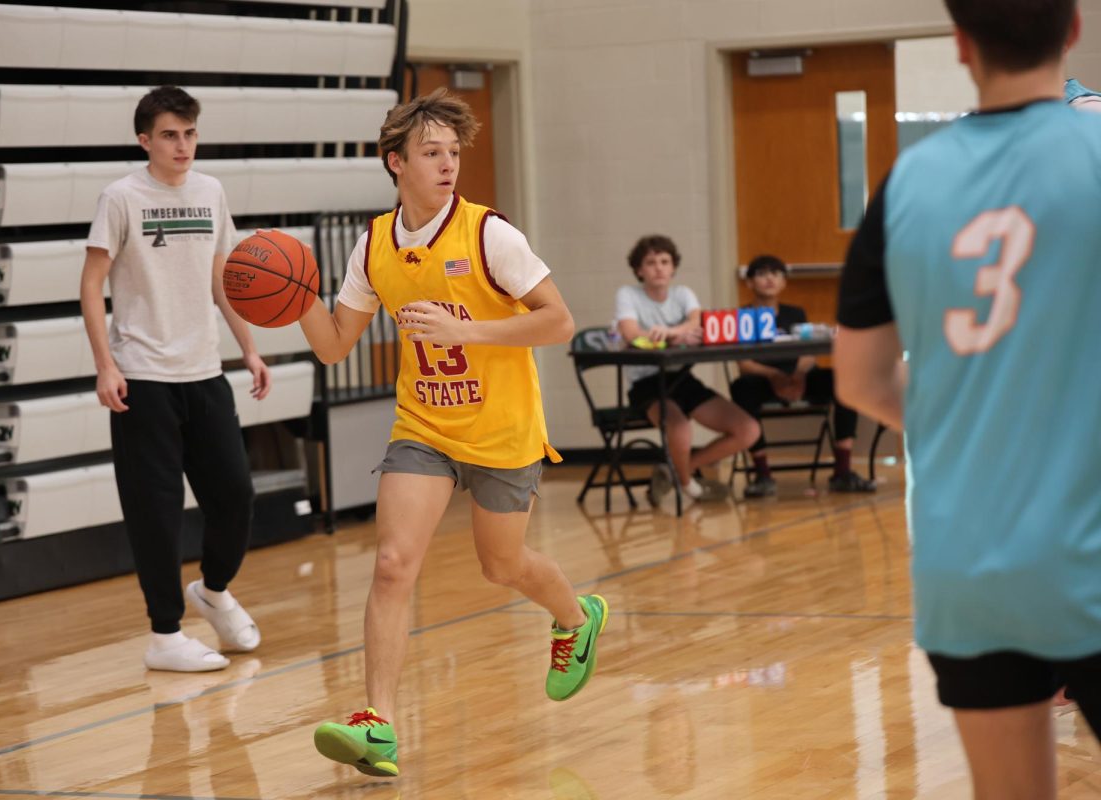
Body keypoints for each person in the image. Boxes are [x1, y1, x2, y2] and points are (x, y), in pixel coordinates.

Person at [300, 88, 607, 779]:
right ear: (394, 163)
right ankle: (378, 724)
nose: (447, 166)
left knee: (501, 566)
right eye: (431, 153)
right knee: (391, 563)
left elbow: (559, 321)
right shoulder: (374, 243)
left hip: (503, 429)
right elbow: (332, 346)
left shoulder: (489, 234)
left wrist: (468, 329)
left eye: (453, 153)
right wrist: (297, 299)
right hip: (425, 425)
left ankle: (576, 616)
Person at [834, 2, 1101, 796]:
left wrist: (979, 419)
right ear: (1074, 31)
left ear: (960, 43)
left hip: (969, 565)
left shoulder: (908, 180)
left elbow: (861, 380)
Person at [81, 86, 270, 673]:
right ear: (146, 141)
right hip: (142, 377)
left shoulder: (210, 191)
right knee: (156, 512)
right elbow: (91, 285)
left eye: (189, 133)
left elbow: (222, 280)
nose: (182, 145)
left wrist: (250, 349)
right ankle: (164, 635)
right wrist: (104, 365)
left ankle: (212, 592)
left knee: (235, 496)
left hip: (204, 372)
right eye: (169, 135)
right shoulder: (121, 197)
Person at [614, 235, 760, 504]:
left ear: (673, 268)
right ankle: (687, 483)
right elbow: (632, 334)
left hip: (682, 379)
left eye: (664, 261)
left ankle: (672, 471)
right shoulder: (628, 295)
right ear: (639, 270)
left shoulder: (683, 294)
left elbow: (697, 321)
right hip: (647, 383)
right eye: (651, 262)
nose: (658, 267)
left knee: (748, 430)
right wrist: (676, 336)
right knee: (680, 429)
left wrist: (671, 332)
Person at [729, 254, 875, 498]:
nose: (769, 279)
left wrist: (798, 375)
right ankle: (762, 474)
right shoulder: (741, 317)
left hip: (800, 378)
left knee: (844, 382)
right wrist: (775, 376)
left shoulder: (795, 313)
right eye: (762, 274)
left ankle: (843, 471)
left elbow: (810, 354)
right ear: (750, 283)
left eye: (775, 274)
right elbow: (744, 364)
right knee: (741, 388)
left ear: (784, 282)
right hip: (764, 380)